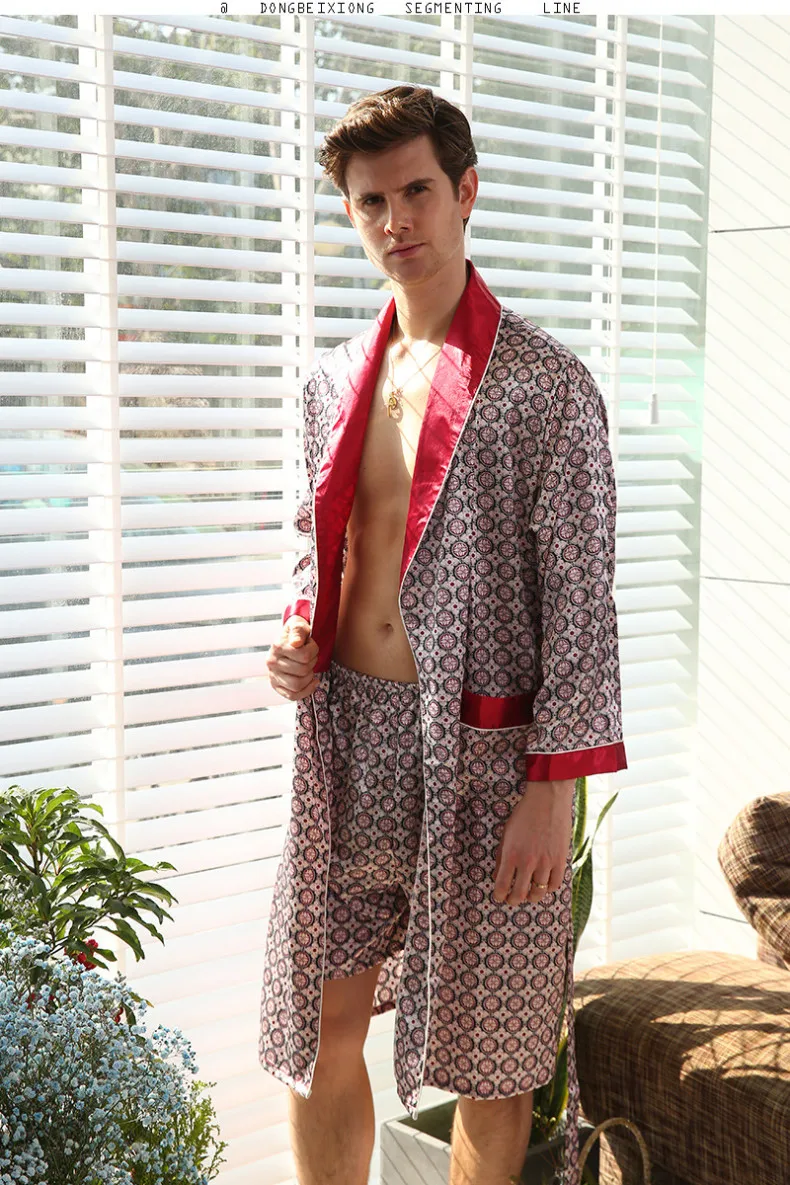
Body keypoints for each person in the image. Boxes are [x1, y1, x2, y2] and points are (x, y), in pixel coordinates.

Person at [259, 84, 627, 1185]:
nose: (396, 221)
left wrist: (552, 792)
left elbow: (582, 602)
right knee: (322, 1029)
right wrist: (300, 631)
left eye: (416, 191)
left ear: (465, 192)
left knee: (493, 1060)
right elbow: (323, 547)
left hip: (490, 760)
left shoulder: (547, 388)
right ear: (351, 213)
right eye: (371, 202)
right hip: (350, 741)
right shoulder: (333, 380)